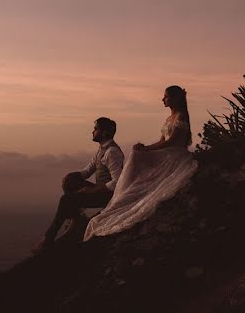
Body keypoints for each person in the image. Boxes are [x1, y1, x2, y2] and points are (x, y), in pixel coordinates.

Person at [84, 85, 197, 241]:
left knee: (137, 155)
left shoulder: (181, 116)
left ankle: (122, 190)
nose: (163, 99)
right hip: (166, 151)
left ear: (175, 98)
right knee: (136, 154)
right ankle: (124, 191)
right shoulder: (169, 118)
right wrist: (146, 149)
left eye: (166, 96)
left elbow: (171, 142)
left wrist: (146, 149)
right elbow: (161, 141)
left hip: (175, 154)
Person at [33, 117, 124, 252]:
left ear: (104, 133)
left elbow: (118, 181)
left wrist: (91, 191)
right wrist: (71, 177)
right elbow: (87, 171)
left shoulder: (112, 152)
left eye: (95, 129)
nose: (92, 132)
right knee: (70, 181)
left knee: (66, 199)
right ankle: (76, 220)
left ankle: (48, 238)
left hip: (108, 195)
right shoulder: (101, 150)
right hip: (100, 191)